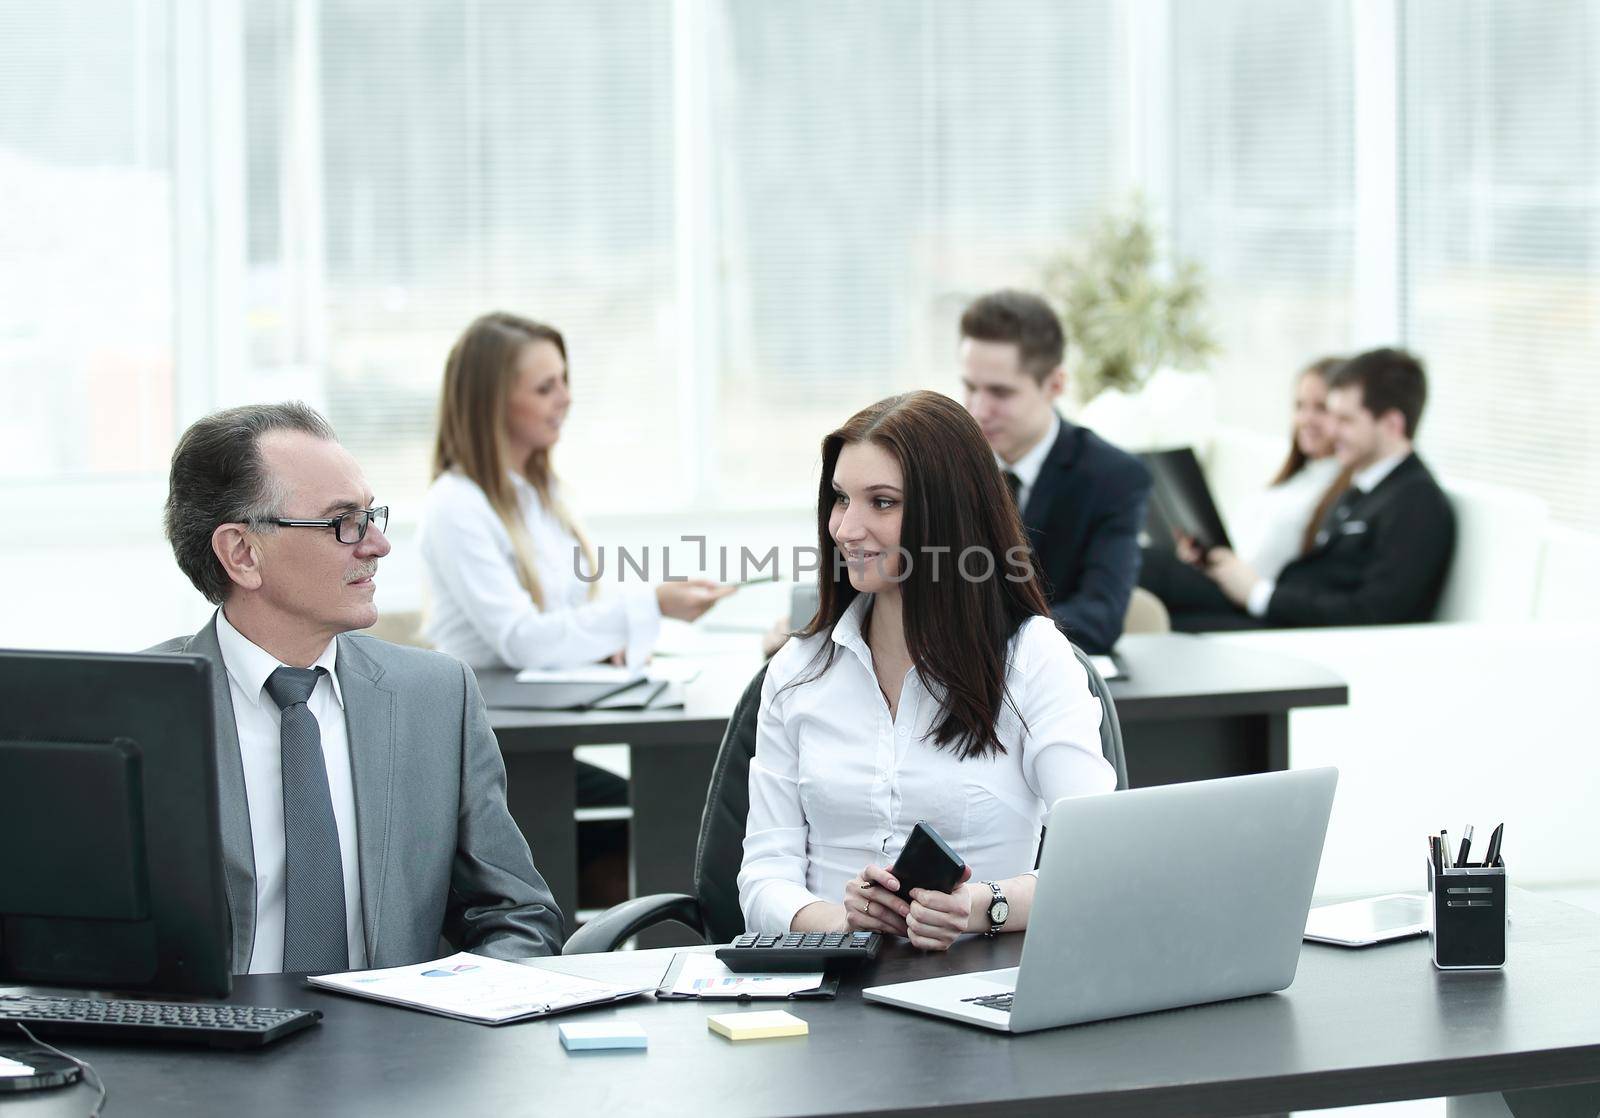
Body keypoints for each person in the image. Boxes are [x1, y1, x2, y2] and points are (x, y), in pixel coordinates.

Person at [154, 402, 562, 974]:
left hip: (391, 1049)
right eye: (342, 521)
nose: (377, 544)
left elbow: (514, 914)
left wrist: (443, 1006)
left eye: (373, 515)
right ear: (243, 554)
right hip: (199, 1050)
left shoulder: (435, 697)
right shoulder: (130, 708)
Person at [738, 391, 1116, 950]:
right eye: (841, 499)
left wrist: (980, 906)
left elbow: (1100, 860)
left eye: (883, 503)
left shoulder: (1033, 659)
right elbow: (763, 877)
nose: (846, 528)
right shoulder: (798, 670)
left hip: (978, 982)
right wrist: (838, 925)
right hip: (828, 991)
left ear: (948, 517)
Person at [420, 311, 732, 669]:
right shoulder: (455, 505)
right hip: (489, 716)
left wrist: (603, 645)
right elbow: (524, 642)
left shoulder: (541, 495)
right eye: (545, 388)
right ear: (491, 404)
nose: (566, 398)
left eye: (564, 381)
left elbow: (567, 617)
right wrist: (653, 604)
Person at [1161, 347, 1456, 630]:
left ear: (1392, 424)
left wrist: (1260, 595)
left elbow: (1372, 613)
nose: (1331, 430)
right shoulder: (1363, 490)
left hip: (1306, 639)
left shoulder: (1416, 502)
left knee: (1164, 619)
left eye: (1345, 420)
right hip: (1285, 619)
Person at [958, 290, 1152, 653]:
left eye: (1000, 393)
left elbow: (1100, 615)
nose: (978, 410)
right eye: (970, 387)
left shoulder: (1114, 478)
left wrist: (980, 636)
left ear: (1056, 385)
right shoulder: (944, 463)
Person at [1139, 356, 1353, 618]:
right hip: (1225, 581)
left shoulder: (1346, 491)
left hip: (1254, 601)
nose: (1306, 419)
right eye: (1300, 406)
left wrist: (1250, 585)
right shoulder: (1294, 478)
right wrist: (1206, 558)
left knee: (1143, 562)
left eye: (1321, 408)